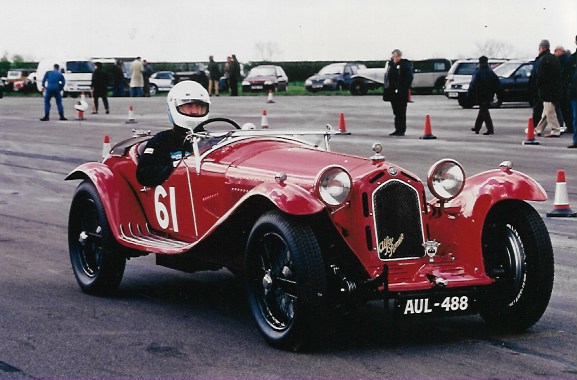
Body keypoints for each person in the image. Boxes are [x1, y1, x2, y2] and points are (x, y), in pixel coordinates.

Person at [136, 81, 211, 187]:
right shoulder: (161, 140)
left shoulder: (212, 140)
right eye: (188, 105)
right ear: (173, 107)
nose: (194, 111)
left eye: (199, 106)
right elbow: (144, 175)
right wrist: (178, 166)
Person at [534, 39, 562, 138]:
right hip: (555, 88)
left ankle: (556, 129)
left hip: (546, 89)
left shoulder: (543, 60)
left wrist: (537, 86)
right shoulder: (554, 58)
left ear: (541, 48)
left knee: (549, 111)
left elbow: (540, 76)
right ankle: (538, 129)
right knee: (547, 111)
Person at [467, 56, 501, 135]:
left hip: (480, 94)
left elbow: (473, 84)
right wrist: (496, 93)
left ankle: (490, 129)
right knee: (482, 111)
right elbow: (497, 83)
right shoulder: (490, 72)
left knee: (484, 112)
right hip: (489, 94)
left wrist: (469, 95)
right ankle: (477, 127)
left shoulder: (478, 72)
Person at [383, 49, 413, 136]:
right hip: (393, 93)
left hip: (401, 93)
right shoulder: (391, 65)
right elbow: (387, 78)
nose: (394, 58)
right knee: (396, 112)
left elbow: (409, 78)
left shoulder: (405, 65)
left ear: (399, 56)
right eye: (393, 57)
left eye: (396, 56)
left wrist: (403, 88)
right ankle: (397, 129)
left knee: (401, 112)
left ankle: (401, 130)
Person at [554, 46, 573, 133]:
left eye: (555, 51)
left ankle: (569, 126)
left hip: (564, 88)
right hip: (566, 87)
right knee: (567, 109)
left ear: (560, 51)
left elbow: (562, 74)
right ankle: (570, 125)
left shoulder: (562, 60)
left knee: (565, 108)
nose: (554, 53)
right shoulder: (567, 59)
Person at [568, 35, 577, 148]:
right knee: (576, 118)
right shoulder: (573, 58)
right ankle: (576, 140)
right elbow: (567, 75)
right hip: (575, 93)